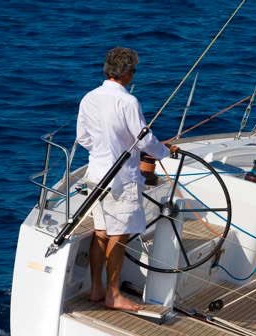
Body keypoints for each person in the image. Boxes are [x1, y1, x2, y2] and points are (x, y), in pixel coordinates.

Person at [77, 47, 179, 311]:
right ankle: (113, 294)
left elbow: (83, 138)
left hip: (95, 175)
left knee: (101, 233)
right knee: (118, 236)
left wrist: (106, 151)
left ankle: (96, 289)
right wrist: (165, 151)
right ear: (127, 73)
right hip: (121, 180)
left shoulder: (89, 98)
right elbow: (144, 140)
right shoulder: (128, 102)